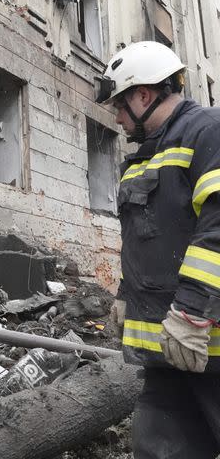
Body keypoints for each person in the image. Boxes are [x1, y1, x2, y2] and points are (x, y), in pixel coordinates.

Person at [98, 41, 220, 458]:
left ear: (144, 95)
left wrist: (190, 314)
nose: (116, 116)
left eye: (119, 104)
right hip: (165, 352)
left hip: (206, 341)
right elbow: (146, 239)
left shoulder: (208, 131)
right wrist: (122, 296)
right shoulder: (141, 159)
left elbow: (217, 229)